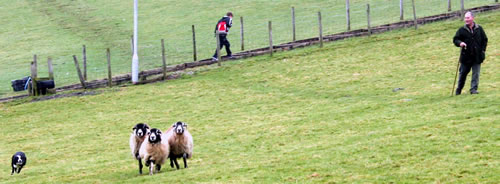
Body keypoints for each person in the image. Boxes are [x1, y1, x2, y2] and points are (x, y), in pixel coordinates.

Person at [453, 11, 488, 95]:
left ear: (472, 18)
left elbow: (485, 40)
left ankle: (473, 90)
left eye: (468, 18)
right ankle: (459, 89)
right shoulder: (462, 30)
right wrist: (460, 43)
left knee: (476, 74)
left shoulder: (479, 29)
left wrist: (483, 50)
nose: (466, 20)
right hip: (466, 57)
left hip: (477, 56)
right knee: (463, 74)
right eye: (465, 18)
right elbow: (455, 39)